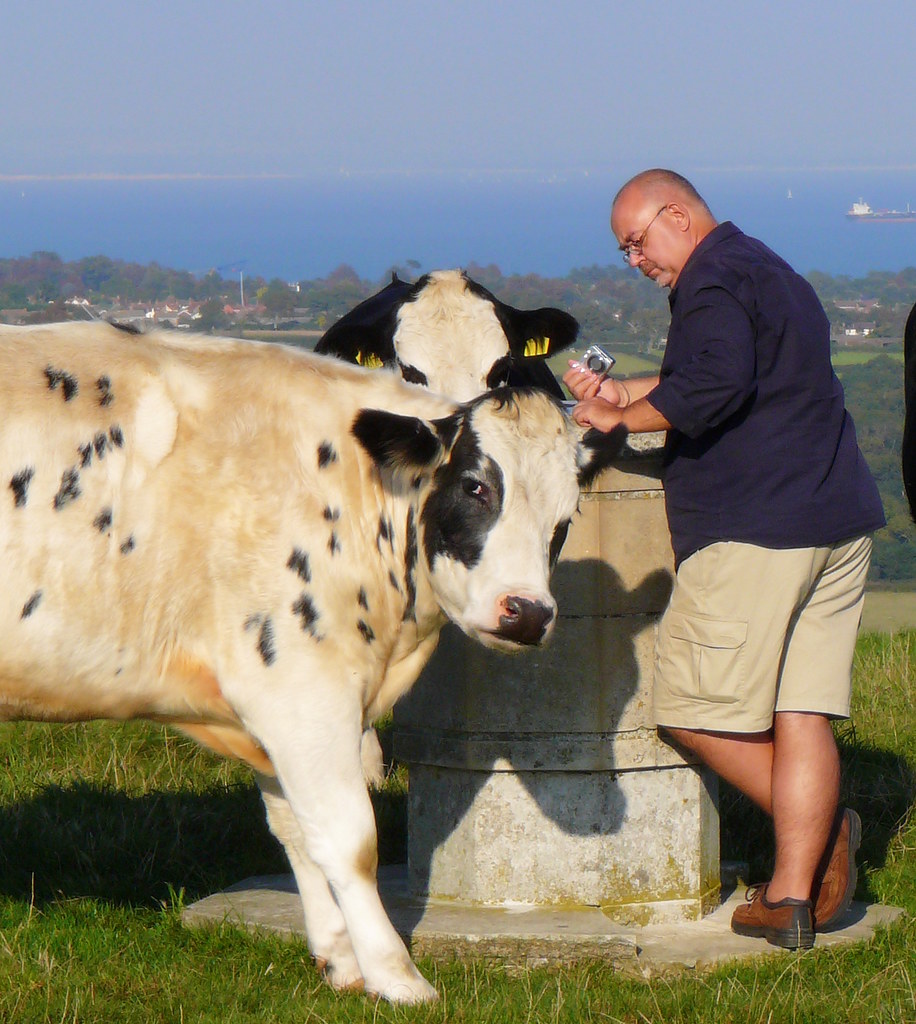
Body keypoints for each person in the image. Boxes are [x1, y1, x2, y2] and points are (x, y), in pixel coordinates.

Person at [564, 169, 885, 950]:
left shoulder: (708, 284)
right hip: (837, 520)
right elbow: (741, 378)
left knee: (689, 708)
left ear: (679, 215)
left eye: (637, 242)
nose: (634, 262)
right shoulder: (770, 271)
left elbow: (709, 385)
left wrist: (615, 423)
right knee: (801, 710)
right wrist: (622, 393)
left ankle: (816, 825)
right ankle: (790, 897)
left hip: (758, 528)